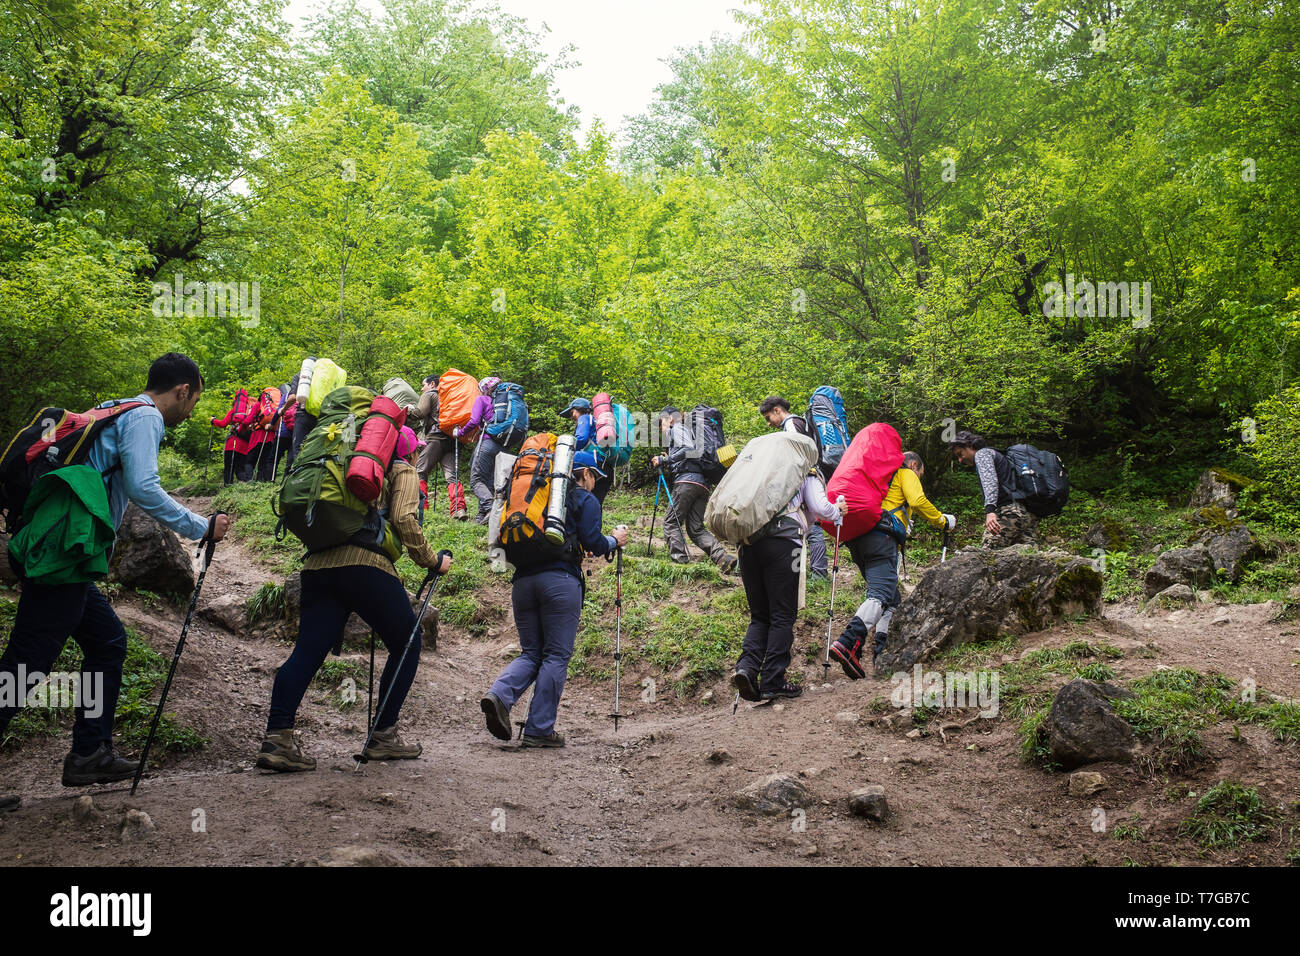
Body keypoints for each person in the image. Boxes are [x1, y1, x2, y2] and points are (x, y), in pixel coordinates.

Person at [0, 353, 230, 796]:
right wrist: (201, 526)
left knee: (107, 643)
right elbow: (144, 486)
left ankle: (90, 753)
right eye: (195, 401)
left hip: (65, 550)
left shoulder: (114, 406)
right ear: (183, 390)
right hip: (65, 556)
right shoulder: (145, 417)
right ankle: (90, 752)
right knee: (25, 665)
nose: (192, 410)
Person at [256, 425, 452, 772]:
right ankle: (383, 735)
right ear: (408, 451)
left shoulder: (346, 465)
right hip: (366, 566)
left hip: (318, 567)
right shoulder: (400, 468)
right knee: (407, 641)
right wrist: (433, 560)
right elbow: (404, 519)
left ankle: (277, 738)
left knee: (306, 652)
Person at [479, 451, 629, 748]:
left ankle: (499, 694)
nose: (595, 484)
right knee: (556, 655)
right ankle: (539, 729)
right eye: (594, 477)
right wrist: (615, 539)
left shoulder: (534, 498)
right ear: (583, 473)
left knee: (532, 652)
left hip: (523, 581)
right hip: (560, 582)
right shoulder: (584, 499)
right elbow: (594, 543)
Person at [829, 451, 955, 678]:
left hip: (858, 538)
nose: (918, 477)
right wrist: (942, 521)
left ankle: (881, 652)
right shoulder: (905, 472)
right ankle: (848, 642)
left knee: (891, 599)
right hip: (882, 538)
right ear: (915, 464)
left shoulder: (879, 478)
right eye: (920, 473)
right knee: (879, 595)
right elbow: (917, 500)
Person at [732, 460, 847, 702]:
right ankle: (773, 680)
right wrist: (838, 511)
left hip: (747, 545)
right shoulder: (806, 470)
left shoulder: (762, 470)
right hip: (786, 545)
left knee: (760, 615)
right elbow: (819, 506)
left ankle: (747, 669)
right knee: (783, 614)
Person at [651, 407, 737, 574]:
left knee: (671, 521)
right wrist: (670, 460)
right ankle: (723, 558)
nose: (661, 428)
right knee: (696, 528)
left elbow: (689, 449)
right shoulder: (688, 431)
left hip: (686, 482)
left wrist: (665, 459)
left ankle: (680, 561)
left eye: (661, 422)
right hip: (702, 485)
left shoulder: (677, 429)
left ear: (670, 419)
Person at [759, 396, 829, 579]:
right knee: (808, 526)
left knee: (809, 529)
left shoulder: (791, 425)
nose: (768, 423)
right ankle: (812, 572)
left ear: (777, 410)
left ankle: (816, 574)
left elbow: (794, 458)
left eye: (768, 418)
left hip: (805, 480)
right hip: (812, 478)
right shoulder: (801, 422)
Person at [950, 430, 1038, 549]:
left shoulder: (982, 454)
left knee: (987, 554)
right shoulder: (997, 454)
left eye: (960, 454)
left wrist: (990, 511)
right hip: (1027, 513)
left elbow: (990, 482)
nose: (960, 460)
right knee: (1027, 557)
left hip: (1010, 512)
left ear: (969, 446)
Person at [456, 376, 503, 524]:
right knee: (488, 480)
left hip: (487, 442)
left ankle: (492, 508)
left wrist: (459, 433)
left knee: (476, 480)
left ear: (484, 388)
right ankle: (481, 517)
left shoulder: (482, 400)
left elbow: (474, 421)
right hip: (502, 446)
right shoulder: (501, 404)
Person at [415, 375, 462, 517]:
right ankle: (459, 509)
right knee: (452, 476)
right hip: (451, 439)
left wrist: (407, 410)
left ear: (432, 384)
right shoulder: (449, 397)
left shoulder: (429, 394)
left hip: (435, 438)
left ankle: (421, 507)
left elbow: (419, 413)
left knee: (420, 471)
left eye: (423, 385)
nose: (422, 388)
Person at [559, 396, 612, 504]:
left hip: (593, 461)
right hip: (605, 466)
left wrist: (564, 451)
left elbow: (581, 439)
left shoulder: (584, 418)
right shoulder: (596, 421)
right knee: (595, 503)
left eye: (572, 412)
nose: (571, 417)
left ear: (579, 409)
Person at [211, 388, 253, 485]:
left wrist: (213, 421)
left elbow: (222, 424)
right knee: (240, 468)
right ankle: (244, 486)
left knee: (229, 468)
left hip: (232, 444)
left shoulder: (233, 412)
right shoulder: (249, 411)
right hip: (245, 446)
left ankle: (228, 486)